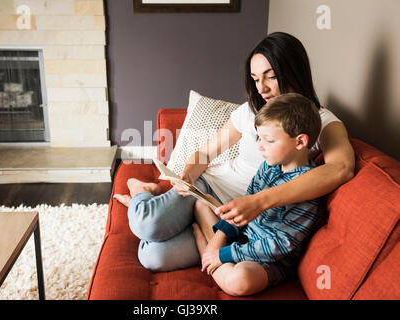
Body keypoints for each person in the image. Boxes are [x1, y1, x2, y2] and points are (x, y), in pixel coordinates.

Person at [113, 32, 355, 273]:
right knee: (148, 224)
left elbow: (340, 168)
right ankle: (141, 191)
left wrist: (258, 202)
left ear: (294, 71)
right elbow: (205, 154)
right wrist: (188, 175)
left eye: (271, 76)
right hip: (208, 190)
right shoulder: (253, 111)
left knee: (153, 257)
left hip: (240, 221)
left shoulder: (322, 122)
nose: (262, 88)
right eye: (255, 78)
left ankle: (175, 217)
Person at [192, 93, 326, 296]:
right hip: (244, 239)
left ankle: (204, 246)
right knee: (201, 205)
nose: (260, 146)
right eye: (259, 138)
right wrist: (220, 240)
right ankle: (210, 249)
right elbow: (243, 210)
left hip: (271, 259)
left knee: (241, 281)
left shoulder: (308, 187)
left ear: (300, 142)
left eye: (269, 140)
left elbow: (280, 245)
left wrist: (224, 253)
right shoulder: (268, 166)